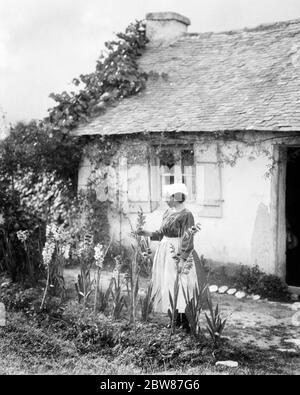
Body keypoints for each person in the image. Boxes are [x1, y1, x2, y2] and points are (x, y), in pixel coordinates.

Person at [137, 183, 207, 331]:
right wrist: (147, 233)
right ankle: (174, 319)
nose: (166, 200)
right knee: (168, 283)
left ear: (176, 197)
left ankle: (186, 322)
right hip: (165, 252)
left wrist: (182, 259)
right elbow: (161, 233)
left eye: (168, 197)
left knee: (182, 285)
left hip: (179, 252)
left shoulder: (187, 215)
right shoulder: (168, 212)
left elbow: (188, 238)